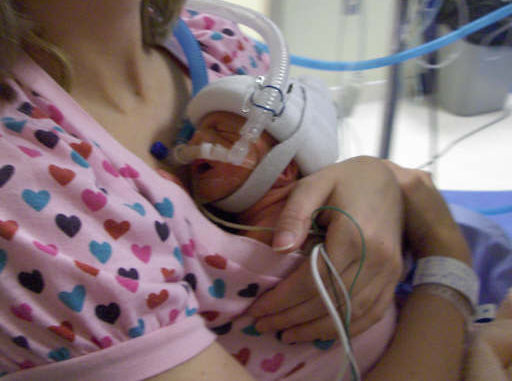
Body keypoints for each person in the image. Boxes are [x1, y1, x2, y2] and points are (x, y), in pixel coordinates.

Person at [0, 0, 497, 379]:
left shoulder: (215, 42)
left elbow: (318, 181)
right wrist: (446, 259)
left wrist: (370, 177)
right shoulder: (24, 184)